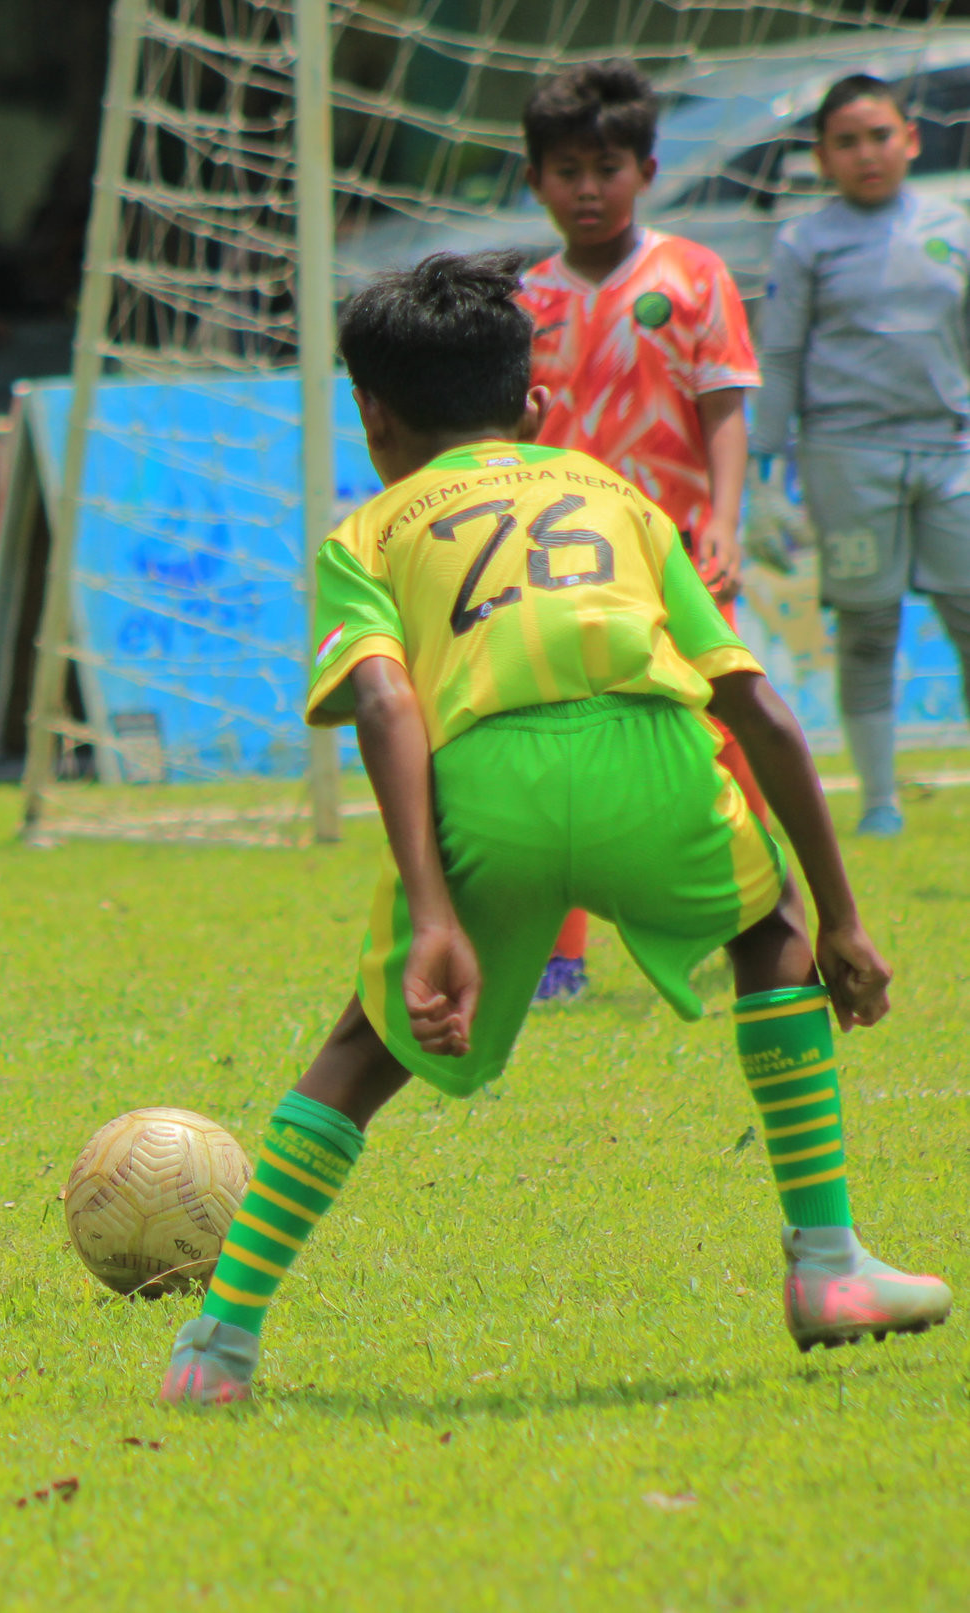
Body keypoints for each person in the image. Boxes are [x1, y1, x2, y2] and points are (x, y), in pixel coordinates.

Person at [158, 252, 949, 1408]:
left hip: (489, 785)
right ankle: (828, 1266)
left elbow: (383, 703)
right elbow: (753, 704)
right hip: (656, 766)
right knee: (768, 924)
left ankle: (216, 1348)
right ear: (534, 404)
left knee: (363, 1048)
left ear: (370, 415)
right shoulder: (619, 498)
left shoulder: (364, 533)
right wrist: (839, 913)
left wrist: (433, 911)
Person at [516, 62, 765, 1004]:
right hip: (561, 567)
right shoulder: (523, 301)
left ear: (647, 170)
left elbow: (724, 409)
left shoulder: (693, 276)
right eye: (567, 170)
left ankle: (752, 915)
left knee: (721, 733)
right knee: (557, 743)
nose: (587, 188)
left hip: (680, 555)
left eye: (606, 167)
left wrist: (725, 522)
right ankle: (556, 952)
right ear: (534, 179)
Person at [754, 74, 970, 839]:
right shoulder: (804, 242)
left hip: (949, 452)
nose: (865, 154)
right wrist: (762, 472)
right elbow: (778, 357)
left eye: (879, 136)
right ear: (821, 158)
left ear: (910, 140)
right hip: (847, 455)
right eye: (845, 142)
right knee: (868, 625)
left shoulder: (954, 226)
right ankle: (878, 801)